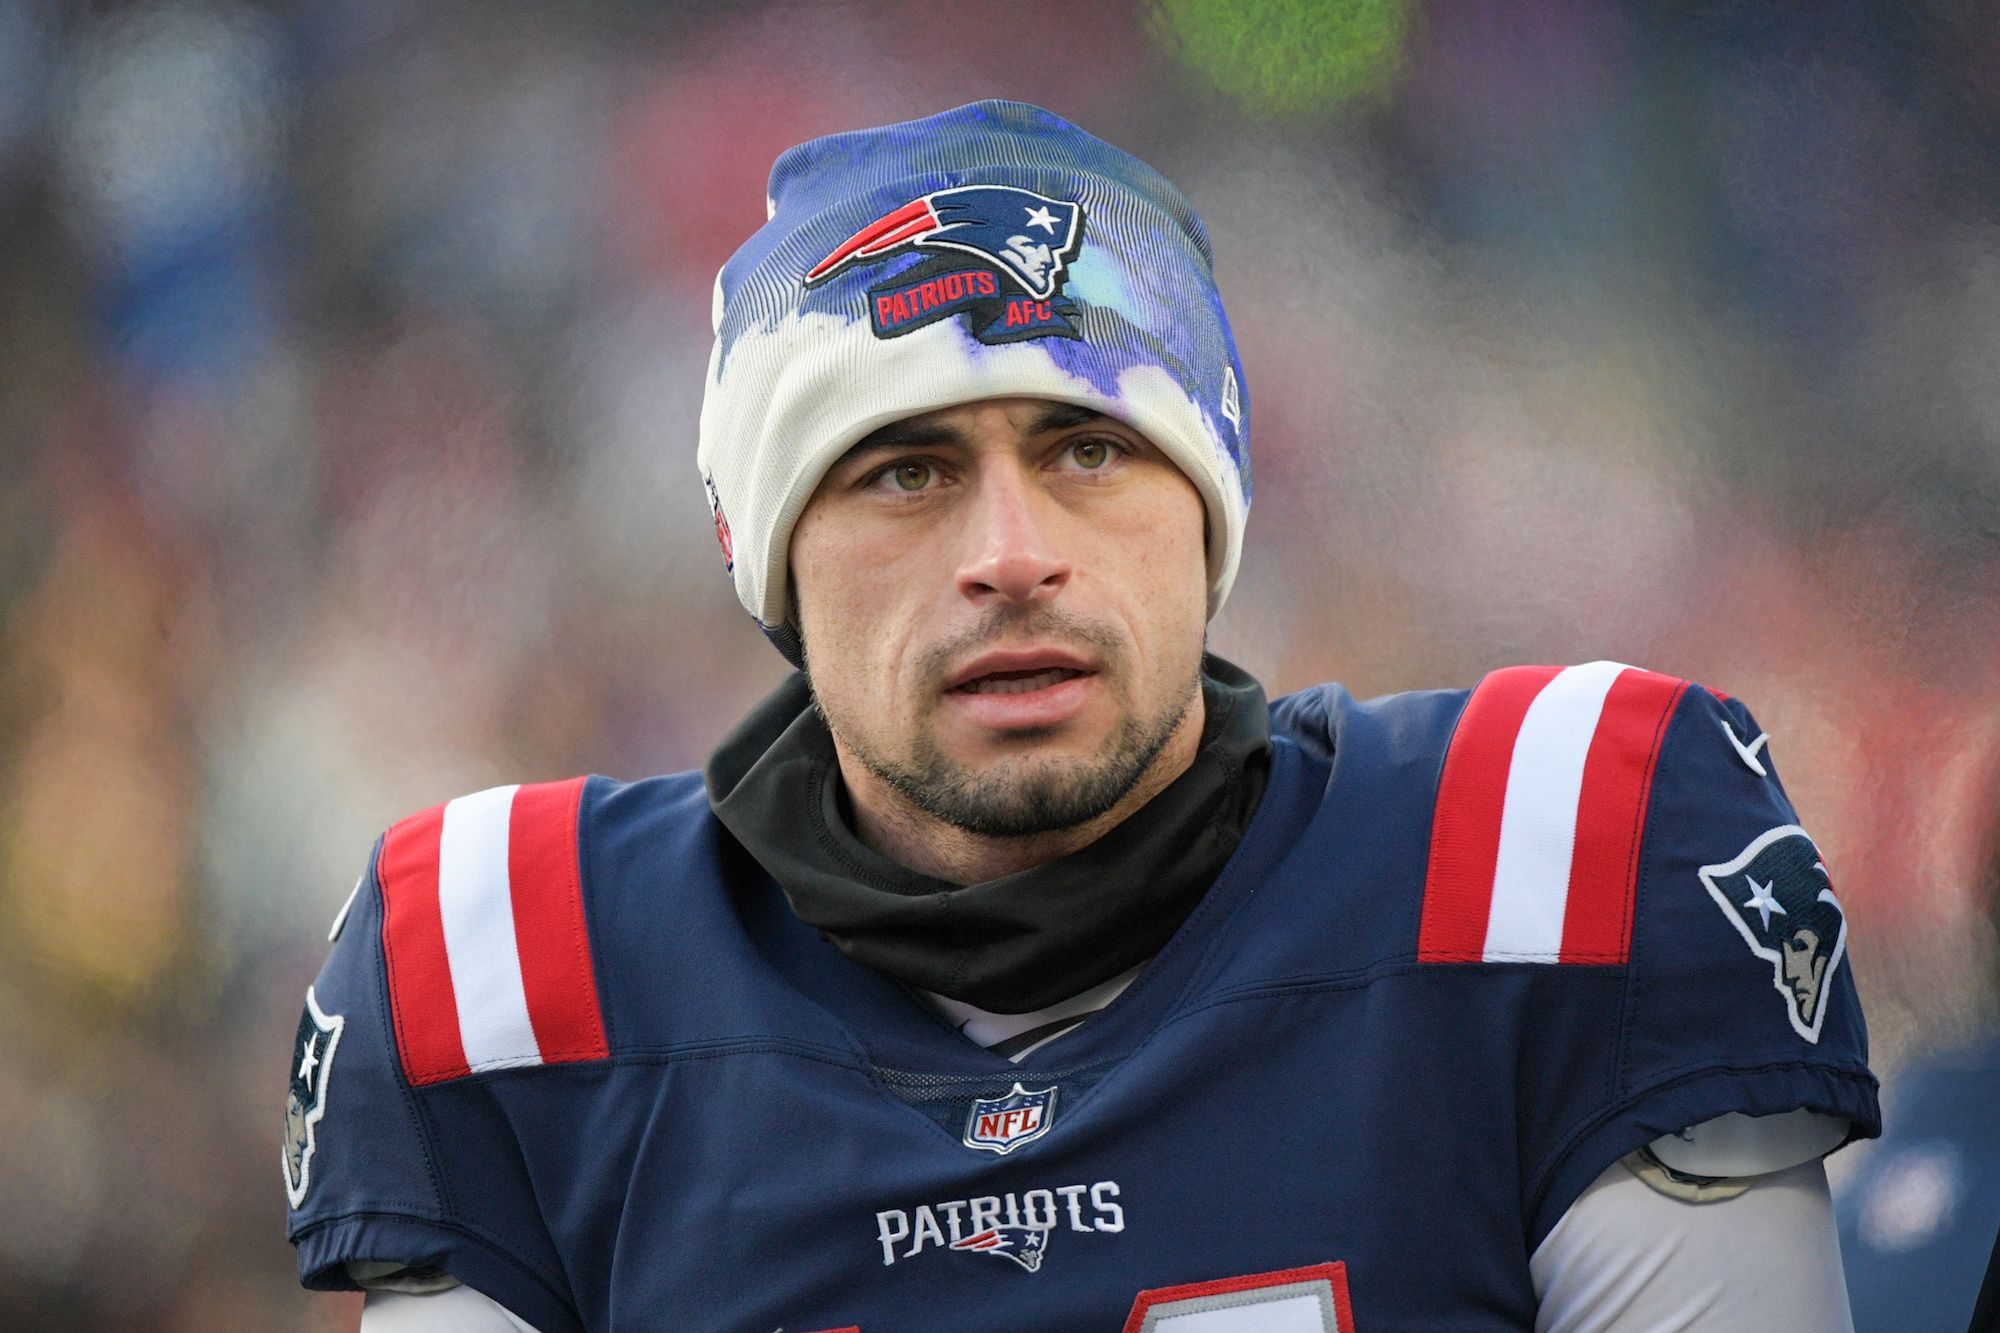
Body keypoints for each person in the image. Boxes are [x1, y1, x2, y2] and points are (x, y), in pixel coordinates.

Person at [284, 101, 1879, 1331]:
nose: (1010, 554)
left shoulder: (1553, 857)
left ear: (1211, 512)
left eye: (1089, 450)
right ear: (766, 560)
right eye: (904, 469)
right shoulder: (518, 969)